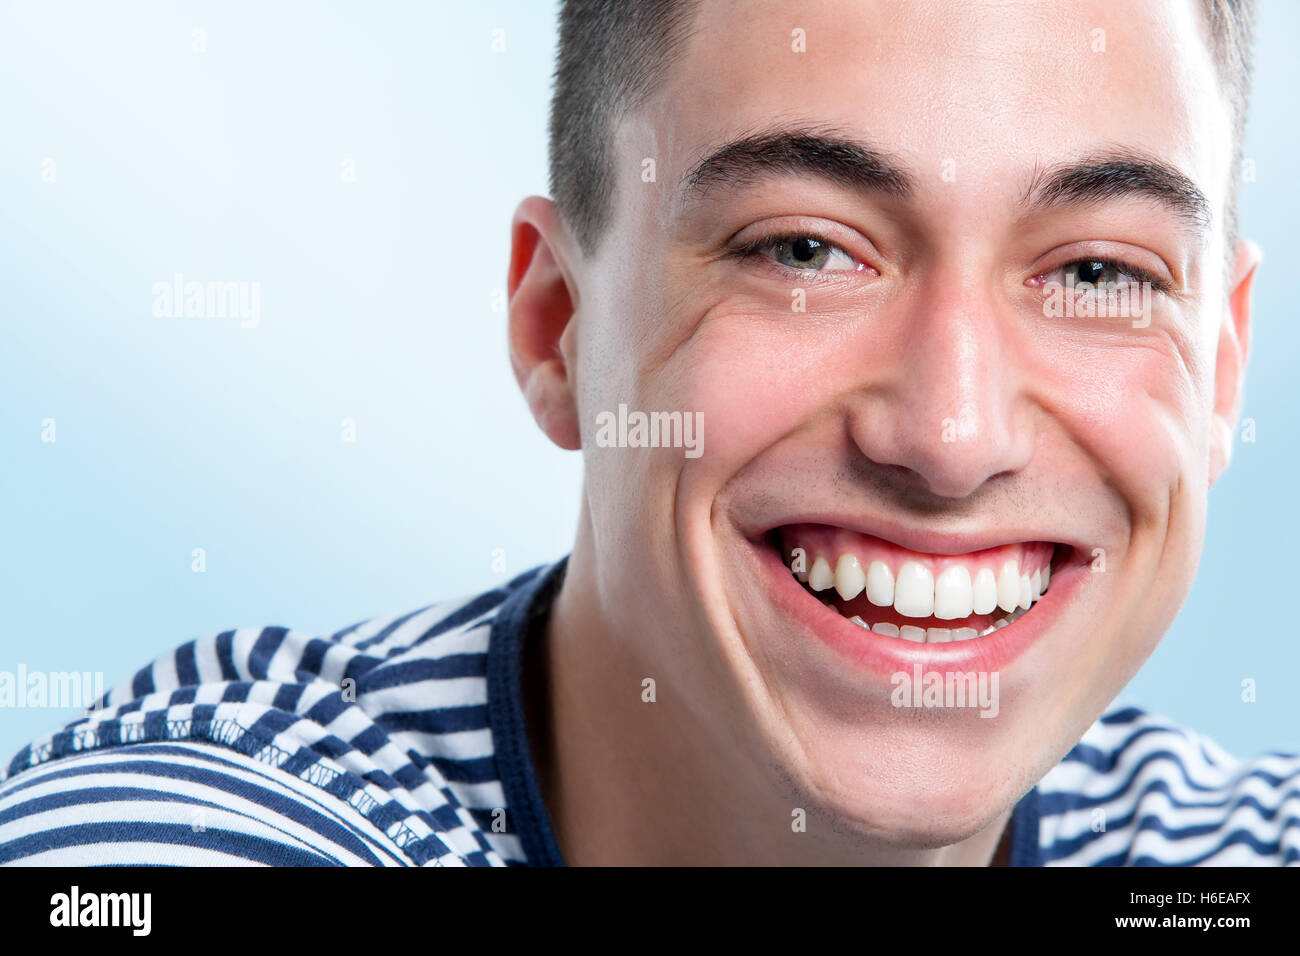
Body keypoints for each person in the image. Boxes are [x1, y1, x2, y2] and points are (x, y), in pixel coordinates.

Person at [2, 0, 1292, 866]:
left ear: (1222, 364)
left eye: (1102, 274)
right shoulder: (188, 836)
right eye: (804, 249)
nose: (952, 437)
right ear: (557, 324)